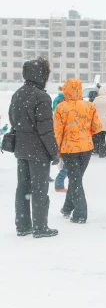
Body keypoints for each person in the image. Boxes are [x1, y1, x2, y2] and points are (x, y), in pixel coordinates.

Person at [9, 57, 60, 238]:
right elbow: (45, 129)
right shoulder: (42, 96)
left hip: (21, 149)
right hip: (38, 151)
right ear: (42, 75)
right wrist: (53, 152)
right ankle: (40, 227)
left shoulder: (18, 93)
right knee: (39, 189)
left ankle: (23, 225)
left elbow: (13, 119)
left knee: (23, 187)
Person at [55, 79, 103, 224]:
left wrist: (57, 151)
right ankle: (67, 207)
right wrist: (85, 133)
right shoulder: (89, 105)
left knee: (75, 180)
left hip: (69, 149)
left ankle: (80, 213)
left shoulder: (61, 107)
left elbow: (58, 132)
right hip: (86, 148)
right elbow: (98, 127)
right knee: (76, 179)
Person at [93, 86, 106, 158]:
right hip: (105, 119)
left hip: (96, 119)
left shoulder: (96, 99)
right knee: (103, 136)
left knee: (98, 135)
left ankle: (98, 150)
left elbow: (92, 109)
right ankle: (102, 152)